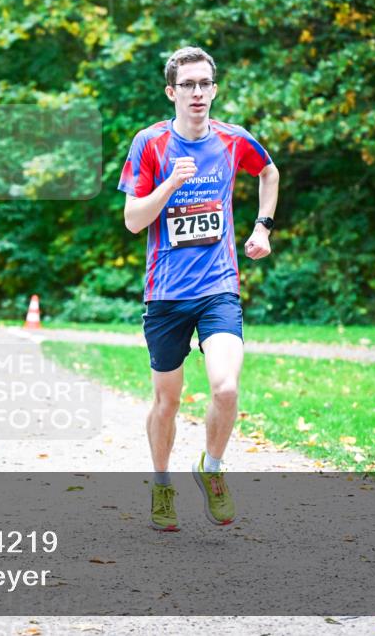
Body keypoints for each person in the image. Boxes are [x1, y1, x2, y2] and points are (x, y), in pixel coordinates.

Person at [118, 46, 279, 531]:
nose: (198, 93)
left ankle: (211, 469)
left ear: (214, 88)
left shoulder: (233, 140)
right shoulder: (150, 144)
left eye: (205, 83)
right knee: (167, 400)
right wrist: (168, 185)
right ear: (171, 92)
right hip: (165, 295)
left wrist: (262, 227)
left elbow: (268, 172)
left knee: (226, 387)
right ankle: (162, 486)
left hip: (218, 286)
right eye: (187, 85)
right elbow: (132, 221)